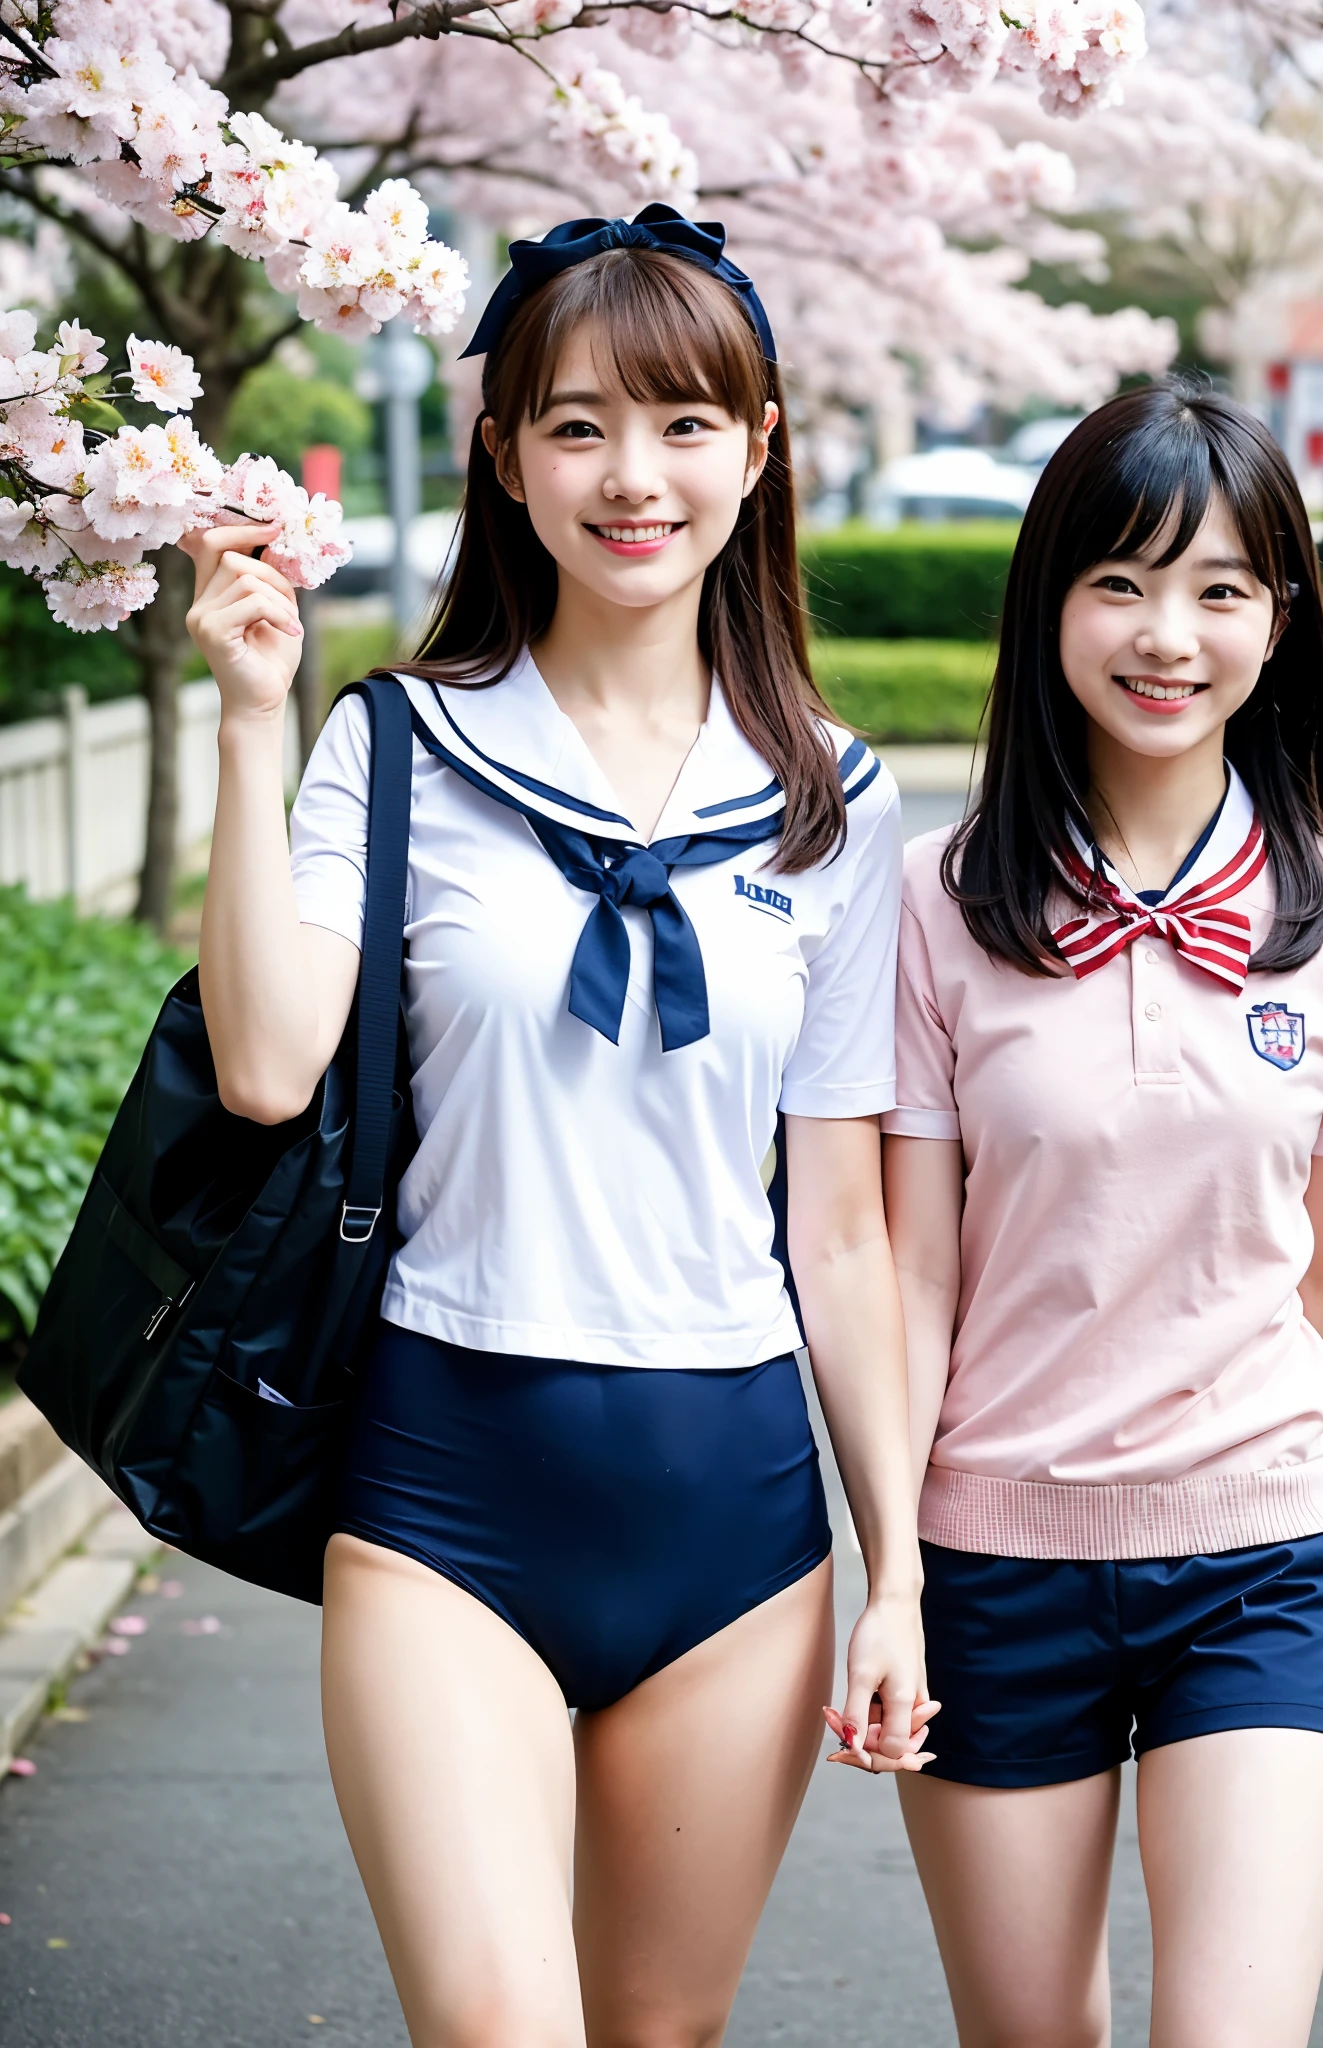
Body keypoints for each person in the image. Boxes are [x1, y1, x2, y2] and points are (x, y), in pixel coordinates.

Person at [181, 206, 935, 2048]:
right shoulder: (404, 748)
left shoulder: (836, 801)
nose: (633, 476)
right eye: (578, 423)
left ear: (759, 455)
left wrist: (897, 1571)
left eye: (685, 424)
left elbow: (839, 1230)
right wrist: (249, 717)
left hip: (737, 1515)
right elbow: (270, 1067)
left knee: (656, 2034)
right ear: (504, 459)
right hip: (448, 1485)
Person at [884, 382, 1323, 2048]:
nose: (1172, 635)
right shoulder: (935, 910)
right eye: (1124, 583)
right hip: (996, 1562)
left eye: (1224, 589)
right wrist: (890, 1573)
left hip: (1265, 1560)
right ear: (1052, 606)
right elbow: (912, 1267)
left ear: (1282, 623)